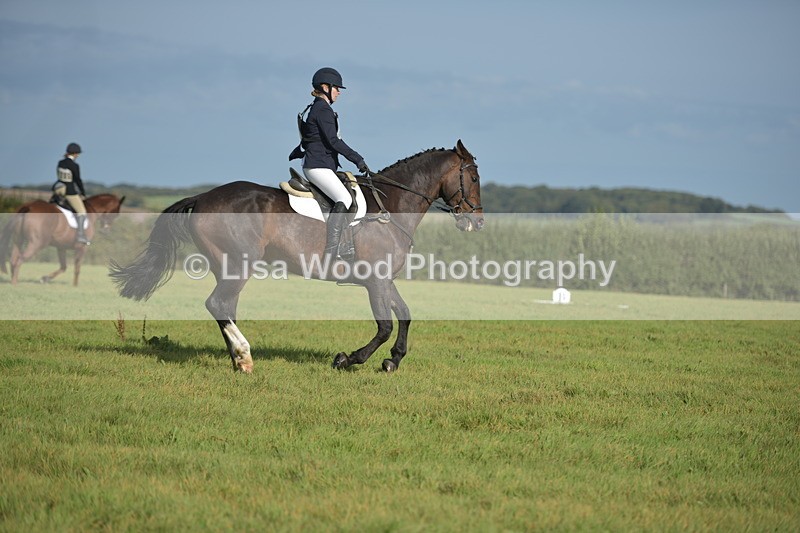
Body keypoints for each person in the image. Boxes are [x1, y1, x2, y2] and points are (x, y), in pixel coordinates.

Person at [290, 67, 369, 260]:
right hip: (318, 166)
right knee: (345, 198)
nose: (339, 92)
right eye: (336, 88)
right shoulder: (322, 110)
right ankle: (331, 252)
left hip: (319, 164)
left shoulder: (316, 108)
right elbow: (334, 141)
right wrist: (357, 159)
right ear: (325, 87)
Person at [54, 142, 90, 244]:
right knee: (82, 211)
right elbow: (77, 180)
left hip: (58, 188)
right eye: (78, 154)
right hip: (68, 191)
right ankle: (81, 235)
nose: (78, 155)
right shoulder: (74, 165)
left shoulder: (60, 162)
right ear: (74, 154)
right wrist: (82, 192)